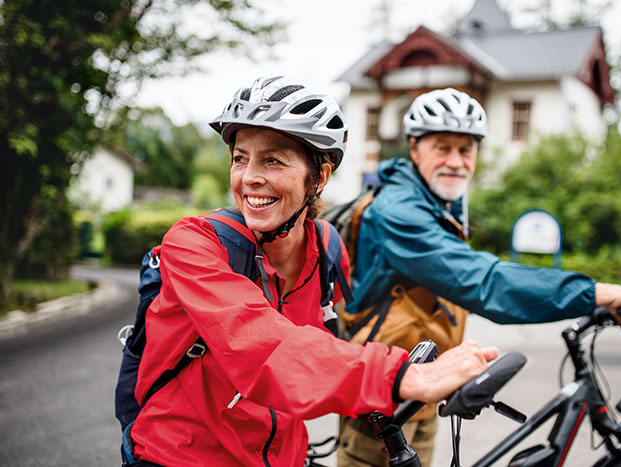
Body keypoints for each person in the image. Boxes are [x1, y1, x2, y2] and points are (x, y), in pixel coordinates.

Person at [126, 76, 500, 467]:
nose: (249, 176)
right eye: (240, 157)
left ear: (318, 178)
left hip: (283, 456)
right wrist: (401, 376)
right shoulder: (192, 244)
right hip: (181, 457)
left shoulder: (327, 249)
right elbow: (261, 344)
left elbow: (324, 345)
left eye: (272, 159)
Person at [336, 87, 621, 467]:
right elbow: (486, 282)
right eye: (442, 147)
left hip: (420, 392)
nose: (456, 161)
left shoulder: (437, 203)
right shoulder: (398, 212)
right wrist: (599, 293)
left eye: (466, 149)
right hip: (382, 402)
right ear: (414, 148)